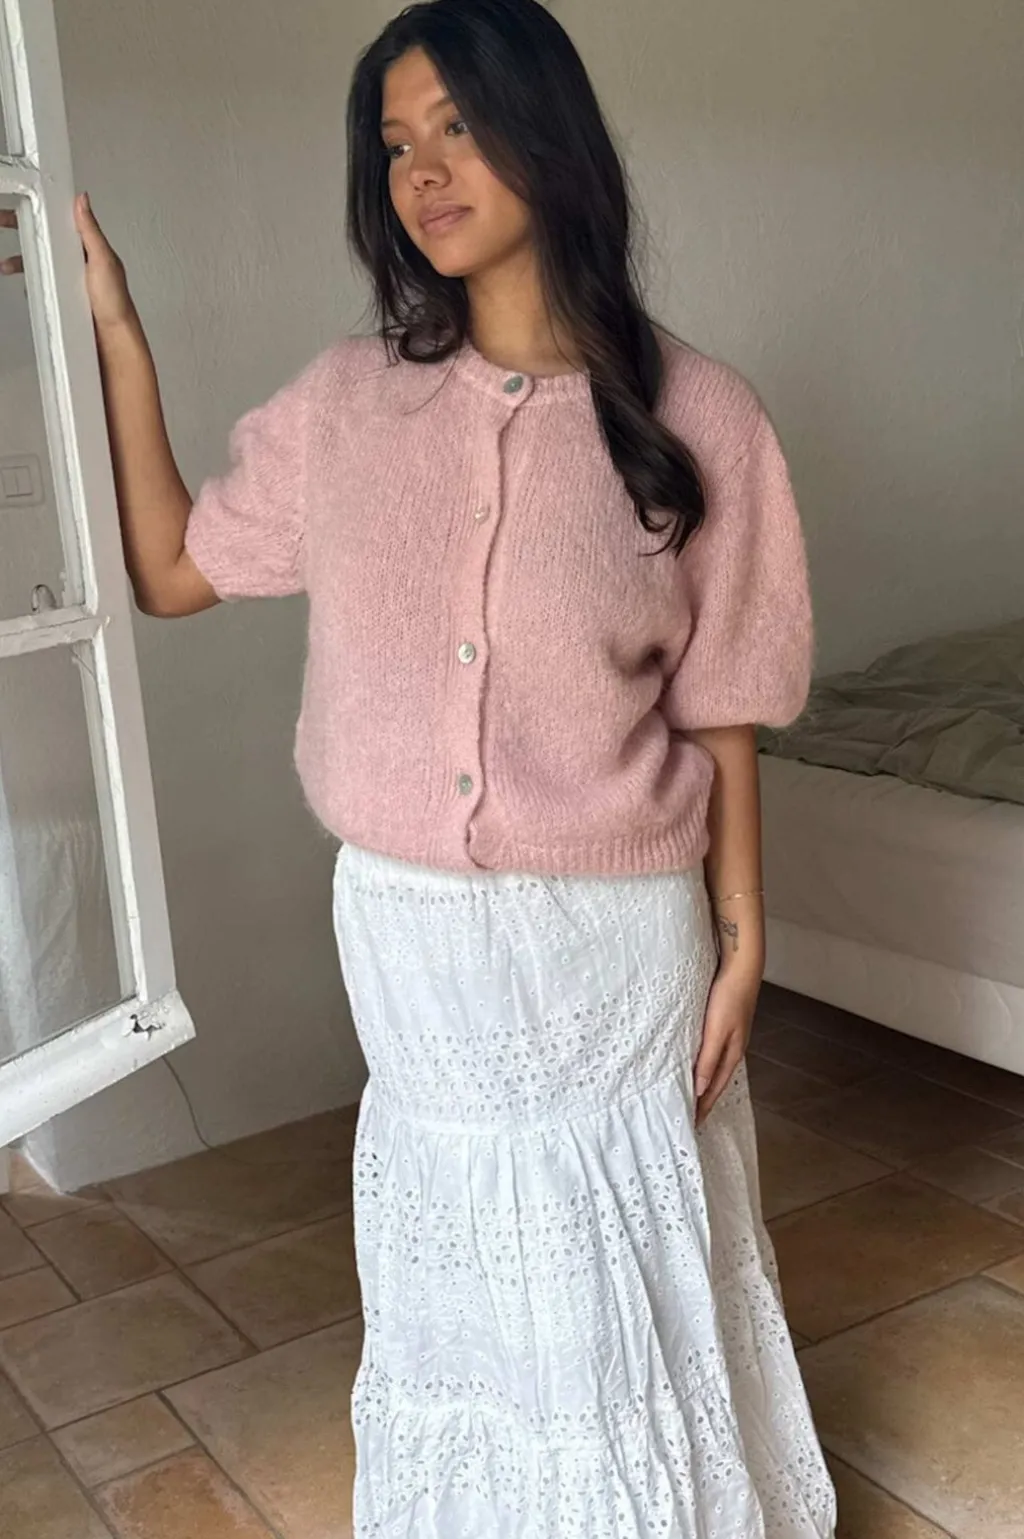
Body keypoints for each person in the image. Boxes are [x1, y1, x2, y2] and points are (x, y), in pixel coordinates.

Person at [3, 0, 836, 1532]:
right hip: (408, 938)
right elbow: (174, 569)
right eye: (394, 144)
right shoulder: (349, 403)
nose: (423, 172)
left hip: (609, 947)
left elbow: (724, 704)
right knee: (469, 1261)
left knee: (610, 1269)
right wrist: (117, 333)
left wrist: (745, 936)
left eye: (456, 124)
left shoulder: (702, 414)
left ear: (547, 131)